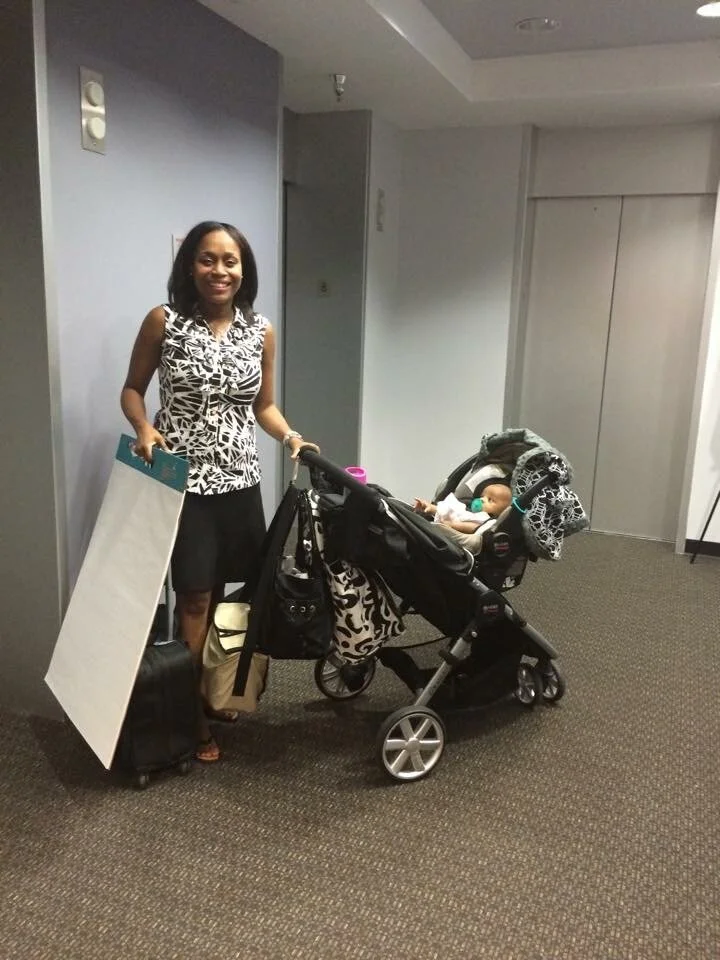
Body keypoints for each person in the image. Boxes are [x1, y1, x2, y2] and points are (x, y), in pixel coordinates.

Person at [121, 220, 318, 763]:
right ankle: (191, 719)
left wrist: (291, 437)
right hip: (183, 483)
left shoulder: (261, 330)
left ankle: (218, 690)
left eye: (230, 261)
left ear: (243, 269)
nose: (219, 270)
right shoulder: (165, 323)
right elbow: (133, 390)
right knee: (195, 598)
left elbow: (264, 406)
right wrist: (144, 428)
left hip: (240, 482)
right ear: (191, 266)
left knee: (241, 594)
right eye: (208, 259)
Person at [413, 482, 512, 535]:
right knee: (451, 507)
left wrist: (452, 525)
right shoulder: (469, 508)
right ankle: (428, 507)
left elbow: (472, 527)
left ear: (500, 512)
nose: (482, 500)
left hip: (452, 527)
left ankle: (431, 510)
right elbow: (453, 512)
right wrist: (433, 508)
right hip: (448, 519)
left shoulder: (487, 520)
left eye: (490, 500)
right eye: (483, 496)